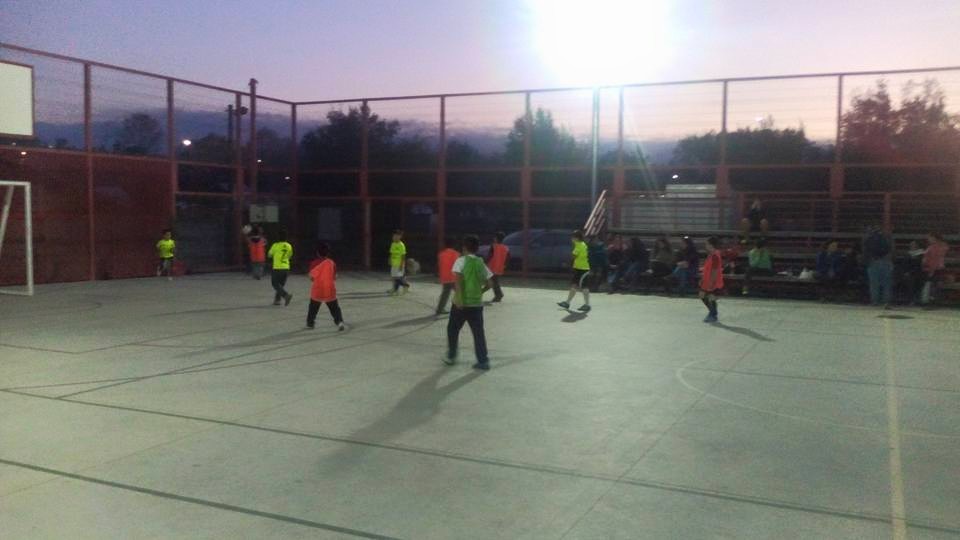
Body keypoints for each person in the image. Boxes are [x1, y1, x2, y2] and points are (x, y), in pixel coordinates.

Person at [444, 235, 493, 371]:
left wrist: (459, 298)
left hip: (461, 304)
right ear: (477, 248)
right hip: (476, 304)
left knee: (452, 329)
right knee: (478, 333)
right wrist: (481, 292)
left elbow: (458, 280)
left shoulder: (461, 261)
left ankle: (452, 355)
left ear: (464, 247)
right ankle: (483, 361)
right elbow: (490, 283)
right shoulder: (480, 263)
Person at [306, 242, 345, 331]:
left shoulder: (314, 263)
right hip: (329, 289)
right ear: (328, 253)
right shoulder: (332, 263)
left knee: (313, 307)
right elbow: (335, 277)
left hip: (318, 290)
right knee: (334, 308)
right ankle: (339, 322)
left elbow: (311, 277)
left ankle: (310, 323)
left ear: (317, 253)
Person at [557, 230, 592, 312]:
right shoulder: (581, 244)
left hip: (583, 269)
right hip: (579, 268)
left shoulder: (579, 245)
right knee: (574, 285)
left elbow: (574, 256)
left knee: (584, 287)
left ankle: (587, 305)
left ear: (577, 238)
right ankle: (567, 303)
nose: (571, 239)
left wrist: (566, 263)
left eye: (573, 237)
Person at [862, 225, 893, 308]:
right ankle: (886, 302)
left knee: (874, 283)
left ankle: (874, 301)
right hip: (885, 261)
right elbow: (890, 249)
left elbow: (866, 250)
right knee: (886, 283)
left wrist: (867, 261)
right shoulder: (886, 237)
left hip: (873, 261)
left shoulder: (869, 238)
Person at [699, 237, 724, 323]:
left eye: (707, 244)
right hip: (707, 280)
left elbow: (714, 271)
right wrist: (703, 279)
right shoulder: (711, 255)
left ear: (711, 245)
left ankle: (713, 315)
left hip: (712, 281)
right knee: (702, 295)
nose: (705, 245)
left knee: (711, 297)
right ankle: (713, 313)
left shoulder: (715, 256)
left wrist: (712, 283)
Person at [921, 232, 949, 306]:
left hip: (934, 268)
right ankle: (934, 301)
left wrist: (931, 271)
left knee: (933, 285)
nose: (928, 239)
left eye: (930, 238)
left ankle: (931, 301)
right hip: (937, 268)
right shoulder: (940, 246)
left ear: (934, 238)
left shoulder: (934, 247)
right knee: (935, 285)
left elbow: (934, 260)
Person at [268, 229, 294, 306]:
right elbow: (290, 256)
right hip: (286, 267)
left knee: (275, 284)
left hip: (277, 267)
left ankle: (286, 295)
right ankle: (277, 300)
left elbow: (269, 255)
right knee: (280, 285)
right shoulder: (289, 245)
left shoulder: (275, 245)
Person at [435, 238, 460, 315]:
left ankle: (440, 309)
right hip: (453, 277)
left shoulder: (441, 254)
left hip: (444, 277)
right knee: (460, 292)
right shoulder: (456, 254)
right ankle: (462, 308)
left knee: (445, 293)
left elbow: (439, 265)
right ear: (454, 245)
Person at [484, 231, 509, 301]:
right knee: (495, 280)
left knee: (494, 281)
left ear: (496, 238)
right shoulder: (506, 248)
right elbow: (508, 258)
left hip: (492, 266)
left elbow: (490, 256)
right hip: (500, 267)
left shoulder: (493, 246)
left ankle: (498, 295)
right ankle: (498, 294)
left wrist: (485, 262)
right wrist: (505, 265)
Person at [388, 229, 410, 295]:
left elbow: (403, 256)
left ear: (400, 237)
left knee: (397, 278)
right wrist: (390, 259)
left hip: (399, 264)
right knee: (393, 277)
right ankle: (394, 289)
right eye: (393, 236)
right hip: (394, 264)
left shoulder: (401, 245)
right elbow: (391, 253)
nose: (394, 237)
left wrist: (401, 265)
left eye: (396, 236)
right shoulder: (393, 244)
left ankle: (405, 285)